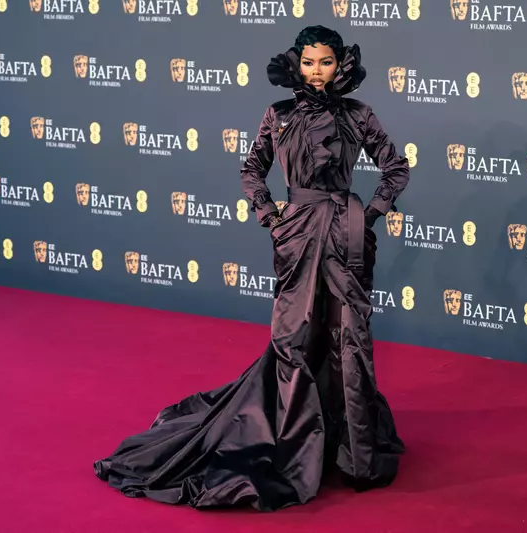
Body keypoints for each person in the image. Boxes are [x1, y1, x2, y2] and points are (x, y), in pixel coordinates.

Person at [93, 25, 410, 512]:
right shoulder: (278, 114)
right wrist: (271, 215)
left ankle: (354, 451)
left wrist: (367, 215)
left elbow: (395, 167)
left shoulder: (358, 113)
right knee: (294, 336)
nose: (317, 71)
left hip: (345, 237)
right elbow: (251, 169)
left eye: (326, 62)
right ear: (296, 63)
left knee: (349, 335)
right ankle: (294, 448)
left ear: (340, 64)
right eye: (309, 62)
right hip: (297, 233)